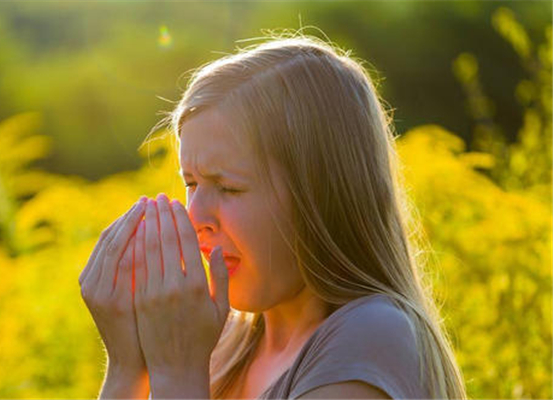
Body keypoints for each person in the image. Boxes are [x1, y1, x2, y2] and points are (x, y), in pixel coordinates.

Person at [79, 31, 467, 399]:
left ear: (319, 194)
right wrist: (130, 367)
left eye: (229, 187)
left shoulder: (370, 337)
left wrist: (177, 374)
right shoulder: (227, 341)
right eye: (191, 183)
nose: (195, 216)